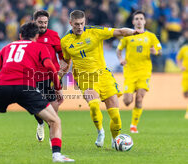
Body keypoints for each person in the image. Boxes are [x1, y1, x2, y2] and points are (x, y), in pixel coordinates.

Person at [0, 22, 74, 162]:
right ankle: (56, 155)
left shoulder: (7, 47)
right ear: (37, 36)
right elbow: (50, 67)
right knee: (54, 120)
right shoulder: (40, 47)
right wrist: (58, 89)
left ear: (20, 35)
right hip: (26, 87)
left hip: (3, 87)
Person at [60, 10, 143, 148]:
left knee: (115, 115)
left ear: (85, 21)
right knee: (93, 104)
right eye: (76, 24)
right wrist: (59, 75)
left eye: (82, 23)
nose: (79, 27)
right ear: (70, 23)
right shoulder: (65, 41)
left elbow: (120, 32)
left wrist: (134, 32)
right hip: (84, 77)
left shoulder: (95, 31)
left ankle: (115, 139)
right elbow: (66, 61)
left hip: (103, 75)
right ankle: (100, 131)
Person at [116, 10, 162, 133]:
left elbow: (160, 50)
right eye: (136, 19)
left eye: (141, 18)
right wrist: (120, 59)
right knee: (127, 101)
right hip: (130, 72)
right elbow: (118, 50)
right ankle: (132, 91)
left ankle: (133, 125)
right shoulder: (128, 35)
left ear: (145, 21)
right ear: (133, 21)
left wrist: (156, 52)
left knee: (140, 98)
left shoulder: (151, 36)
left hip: (144, 71)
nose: (139, 21)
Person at [32, 10, 65, 142]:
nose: (43, 25)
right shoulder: (29, 36)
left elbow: (61, 55)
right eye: (40, 22)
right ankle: (40, 123)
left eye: (45, 22)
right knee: (36, 107)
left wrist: (63, 67)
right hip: (35, 76)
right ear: (34, 21)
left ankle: (54, 138)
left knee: (54, 106)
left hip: (52, 76)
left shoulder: (54, 35)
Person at [176, 43, 188, 119]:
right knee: (185, 94)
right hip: (185, 75)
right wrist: (181, 66)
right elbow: (178, 58)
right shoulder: (184, 48)